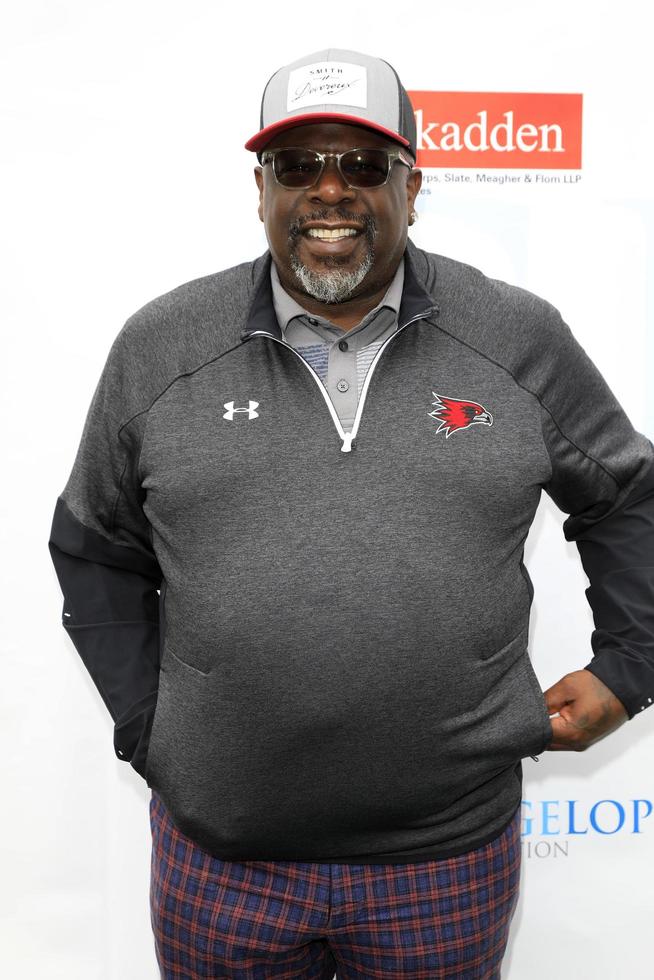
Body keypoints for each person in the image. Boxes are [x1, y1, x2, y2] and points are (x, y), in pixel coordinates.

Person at [48, 48, 654, 979]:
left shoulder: (516, 338)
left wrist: (631, 665)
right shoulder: (162, 344)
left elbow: (629, 500)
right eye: (299, 166)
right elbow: (94, 550)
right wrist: (149, 727)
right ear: (261, 189)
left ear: (414, 184)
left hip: (444, 858)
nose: (331, 191)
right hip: (224, 859)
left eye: (365, 165)